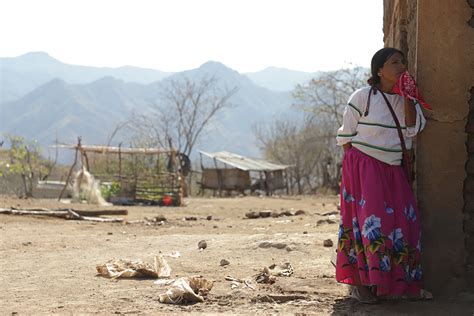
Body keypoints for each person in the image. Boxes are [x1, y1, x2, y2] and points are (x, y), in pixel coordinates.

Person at [335, 47, 428, 303]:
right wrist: (356, 176)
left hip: (393, 169)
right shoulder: (363, 97)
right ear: (379, 70)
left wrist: (408, 96)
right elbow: (345, 137)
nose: (401, 66)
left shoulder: (406, 101)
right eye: (394, 62)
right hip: (364, 169)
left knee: (403, 222)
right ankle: (362, 284)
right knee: (368, 224)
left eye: (403, 62)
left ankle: (393, 284)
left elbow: (412, 130)